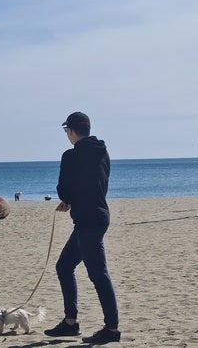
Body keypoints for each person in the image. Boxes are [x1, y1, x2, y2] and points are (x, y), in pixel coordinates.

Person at [44, 112, 120, 344]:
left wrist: (68, 198)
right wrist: (73, 200)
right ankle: (70, 323)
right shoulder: (102, 151)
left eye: (66, 130)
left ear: (71, 131)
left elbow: (65, 189)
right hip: (97, 215)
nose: (66, 134)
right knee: (64, 266)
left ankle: (112, 329)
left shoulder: (71, 155)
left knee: (98, 274)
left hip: (88, 221)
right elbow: (94, 183)